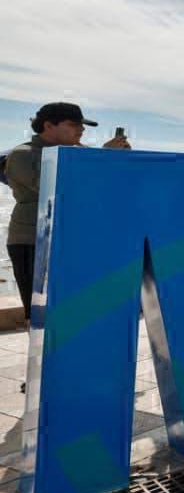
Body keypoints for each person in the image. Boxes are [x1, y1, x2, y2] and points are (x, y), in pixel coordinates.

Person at [5, 103, 129, 331]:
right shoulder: (23, 155)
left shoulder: (79, 154)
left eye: (82, 125)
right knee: (40, 314)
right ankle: (43, 361)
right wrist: (103, 158)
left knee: (76, 309)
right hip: (33, 241)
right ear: (48, 125)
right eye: (73, 125)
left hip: (74, 239)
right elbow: (60, 187)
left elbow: (102, 190)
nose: (80, 130)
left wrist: (118, 161)